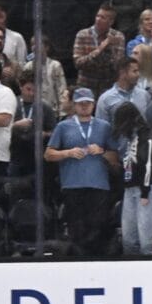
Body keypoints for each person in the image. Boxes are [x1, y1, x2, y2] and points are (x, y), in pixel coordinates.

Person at [44, 87, 119, 256]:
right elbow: (48, 154)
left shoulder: (104, 126)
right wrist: (68, 153)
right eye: (80, 103)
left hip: (99, 186)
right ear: (74, 105)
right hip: (72, 185)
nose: (84, 106)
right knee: (76, 228)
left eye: (88, 103)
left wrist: (101, 151)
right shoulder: (63, 126)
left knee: (98, 227)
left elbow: (115, 157)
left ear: (93, 105)